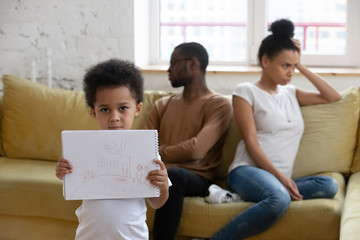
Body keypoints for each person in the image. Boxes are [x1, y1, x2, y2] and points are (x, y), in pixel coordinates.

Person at [211, 19, 341, 240]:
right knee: (279, 198)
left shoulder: (291, 93)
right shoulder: (246, 91)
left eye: (293, 67)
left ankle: (256, 197)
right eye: (285, 65)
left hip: (278, 180)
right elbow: (251, 143)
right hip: (247, 171)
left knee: (328, 186)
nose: (290, 73)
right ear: (265, 60)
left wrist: (299, 63)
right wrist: (280, 178)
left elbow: (333, 96)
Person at [55, 58, 169, 240]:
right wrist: (65, 173)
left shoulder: (146, 150)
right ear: (94, 112)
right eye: (105, 110)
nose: (114, 117)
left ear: (138, 109)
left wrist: (162, 187)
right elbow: (76, 188)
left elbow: (156, 203)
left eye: (123, 108)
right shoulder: (84, 150)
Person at [145, 42, 232, 239]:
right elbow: (141, 147)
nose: (168, 69)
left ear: (193, 63)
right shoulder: (163, 104)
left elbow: (196, 150)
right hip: (159, 172)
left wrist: (158, 151)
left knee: (173, 176)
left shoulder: (218, 104)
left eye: (173, 62)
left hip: (196, 178)